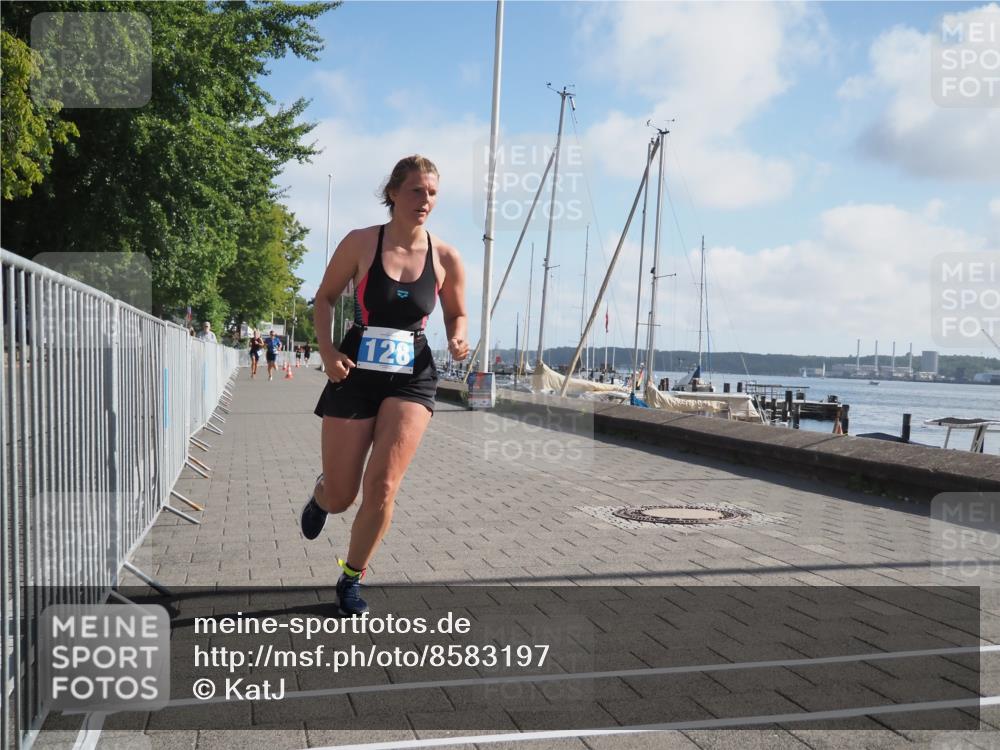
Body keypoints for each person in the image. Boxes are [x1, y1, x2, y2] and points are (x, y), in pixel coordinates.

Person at [302, 154, 468, 615]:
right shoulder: (360, 243)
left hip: (412, 374)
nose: (425, 200)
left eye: (432, 193)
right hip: (354, 370)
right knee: (342, 495)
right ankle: (321, 495)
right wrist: (328, 352)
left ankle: (352, 576)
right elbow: (325, 298)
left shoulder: (446, 256)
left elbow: (456, 310)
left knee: (385, 485)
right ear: (393, 193)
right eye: (416, 190)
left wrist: (457, 335)